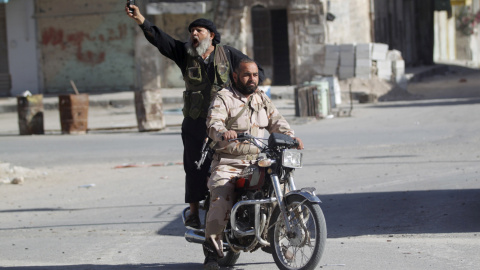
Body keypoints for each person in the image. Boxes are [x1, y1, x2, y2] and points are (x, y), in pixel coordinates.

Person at [125, 4, 265, 229]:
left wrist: (245, 94)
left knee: (238, 161)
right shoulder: (185, 53)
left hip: (226, 123)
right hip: (196, 121)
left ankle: (242, 206)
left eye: (199, 30)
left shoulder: (228, 54)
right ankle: (193, 211)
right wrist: (141, 19)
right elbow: (161, 40)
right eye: (192, 31)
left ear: (211, 35)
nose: (194, 34)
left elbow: (255, 72)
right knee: (193, 165)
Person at [203, 59, 304, 270]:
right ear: (235, 77)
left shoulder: (261, 98)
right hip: (229, 161)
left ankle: (272, 239)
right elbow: (214, 123)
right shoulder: (224, 97)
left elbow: (277, 121)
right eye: (247, 75)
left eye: (255, 75)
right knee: (221, 194)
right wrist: (223, 132)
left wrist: (290, 137)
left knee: (280, 191)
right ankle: (212, 252)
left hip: (258, 160)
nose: (252, 79)